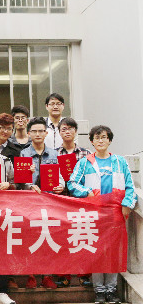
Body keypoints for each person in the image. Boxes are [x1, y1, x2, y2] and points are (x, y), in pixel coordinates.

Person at [68, 125, 136, 304]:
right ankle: (99, 290)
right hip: (94, 212)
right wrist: (86, 192)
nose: (100, 140)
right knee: (96, 251)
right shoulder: (85, 162)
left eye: (104, 137)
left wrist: (127, 203)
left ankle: (111, 289)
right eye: (97, 138)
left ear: (110, 140)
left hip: (115, 212)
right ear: (91, 141)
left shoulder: (120, 162)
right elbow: (72, 183)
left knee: (113, 251)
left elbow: (129, 185)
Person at [20, 117, 65, 290]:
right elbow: (20, 180)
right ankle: (31, 274)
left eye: (41, 131)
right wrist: (29, 183)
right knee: (31, 237)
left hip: (49, 201)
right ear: (29, 133)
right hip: (30, 202)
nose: (38, 134)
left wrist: (61, 185)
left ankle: (47, 275)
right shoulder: (24, 154)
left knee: (48, 237)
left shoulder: (54, 154)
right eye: (34, 131)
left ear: (46, 133)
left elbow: (60, 175)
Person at [55, 117, 92, 287]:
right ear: (59, 132)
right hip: (60, 199)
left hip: (81, 200)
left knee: (82, 234)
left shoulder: (86, 154)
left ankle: (84, 274)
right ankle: (64, 275)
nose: (67, 131)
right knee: (62, 237)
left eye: (70, 128)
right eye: (63, 129)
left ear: (76, 131)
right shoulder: (54, 153)